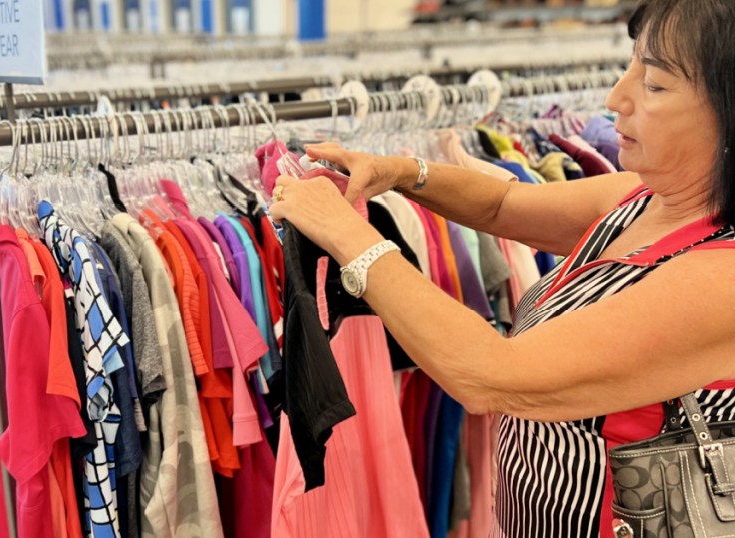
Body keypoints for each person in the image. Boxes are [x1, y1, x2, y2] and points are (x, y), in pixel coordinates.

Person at [268, 0, 735, 536]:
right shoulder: (645, 199)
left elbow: (490, 374)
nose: (616, 98)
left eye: (653, 84)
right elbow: (499, 207)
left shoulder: (723, 277)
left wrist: (350, 235)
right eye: (631, 65)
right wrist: (396, 172)